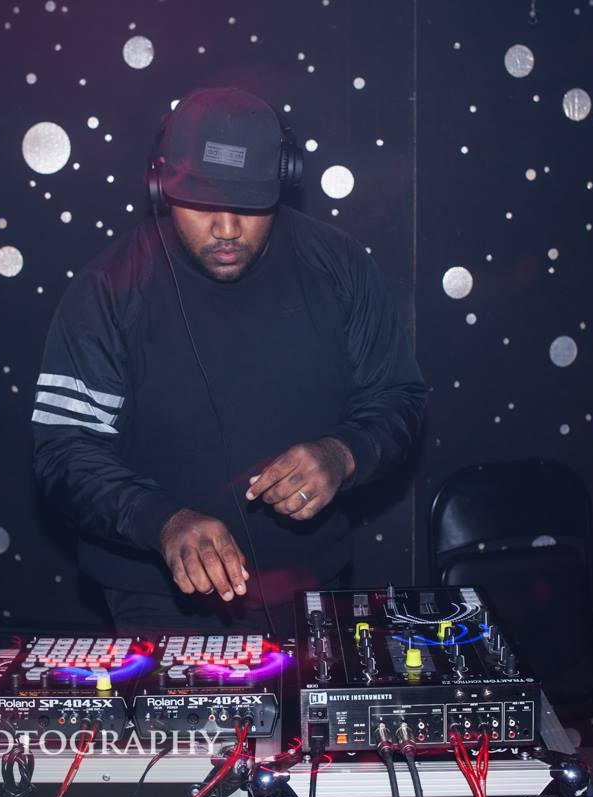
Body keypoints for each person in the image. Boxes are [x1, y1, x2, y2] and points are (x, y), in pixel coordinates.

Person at [31, 86, 426, 638]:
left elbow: (400, 398)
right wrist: (163, 521)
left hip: (314, 583)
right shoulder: (107, 289)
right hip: (160, 600)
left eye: (248, 204)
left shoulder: (341, 267)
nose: (226, 229)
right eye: (201, 203)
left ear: (283, 182)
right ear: (161, 187)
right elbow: (65, 450)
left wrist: (344, 453)